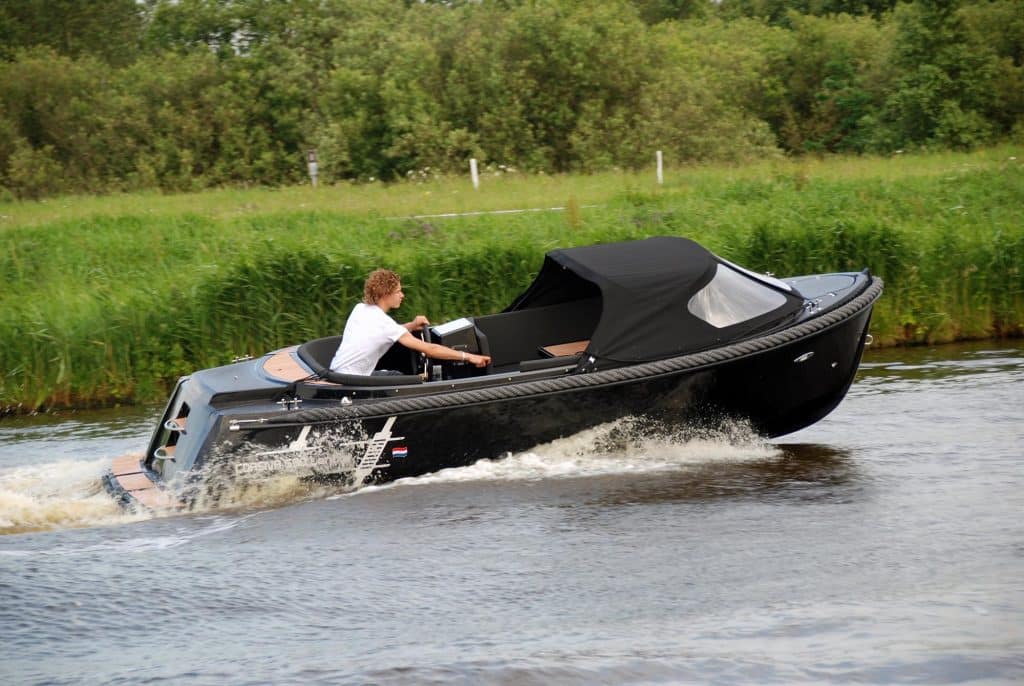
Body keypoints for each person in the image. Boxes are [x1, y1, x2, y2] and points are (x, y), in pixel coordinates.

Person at [330, 269, 491, 376]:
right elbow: (430, 350)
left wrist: (412, 326)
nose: (402, 295)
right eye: (398, 291)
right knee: (404, 379)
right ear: (385, 294)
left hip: (337, 372)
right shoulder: (385, 324)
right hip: (353, 382)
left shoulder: (360, 309)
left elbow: (382, 332)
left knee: (393, 375)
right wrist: (469, 356)